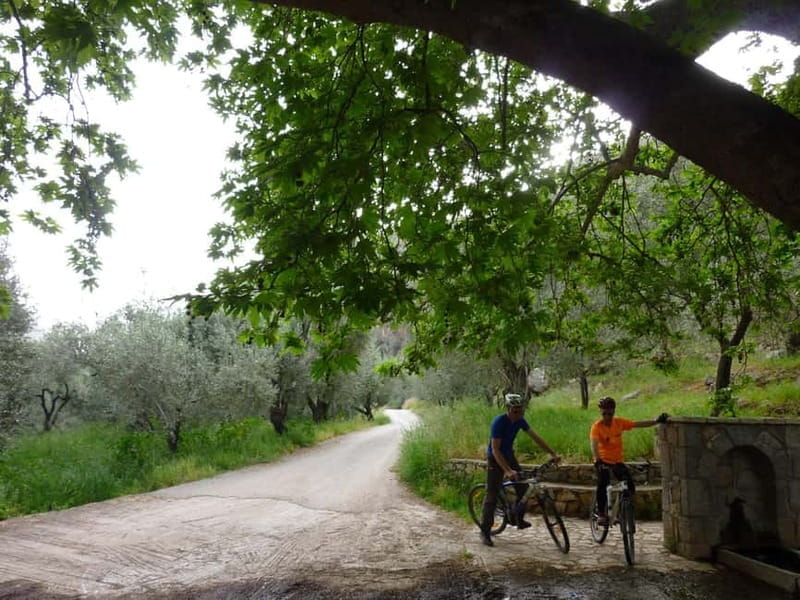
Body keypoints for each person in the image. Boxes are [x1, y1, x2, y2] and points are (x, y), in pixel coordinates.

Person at [479, 393, 561, 547]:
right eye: (515, 411)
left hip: (509, 455)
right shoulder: (499, 422)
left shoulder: (520, 421)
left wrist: (552, 453)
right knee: (492, 495)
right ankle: (484, 531)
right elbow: (496, 450)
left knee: (523, 487)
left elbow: (536, 438)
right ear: (508, 409)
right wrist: (508, 471)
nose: (518, 414)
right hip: (495, 459)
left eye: (520, 411)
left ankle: (518, 519)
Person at [589, 396, 668, 525]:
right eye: (604, 413)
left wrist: (657, 421)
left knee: (629, 486)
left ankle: (623, 511)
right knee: (603, 483)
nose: (607, 416)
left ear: (614, 411)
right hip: (602, 461)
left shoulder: (619, 423)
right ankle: (602, 515)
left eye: (610, 413)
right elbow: (593, 444)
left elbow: (638, 424)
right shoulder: (596, 427)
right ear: (601, 412)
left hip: (617, 461)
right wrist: (598, 460)